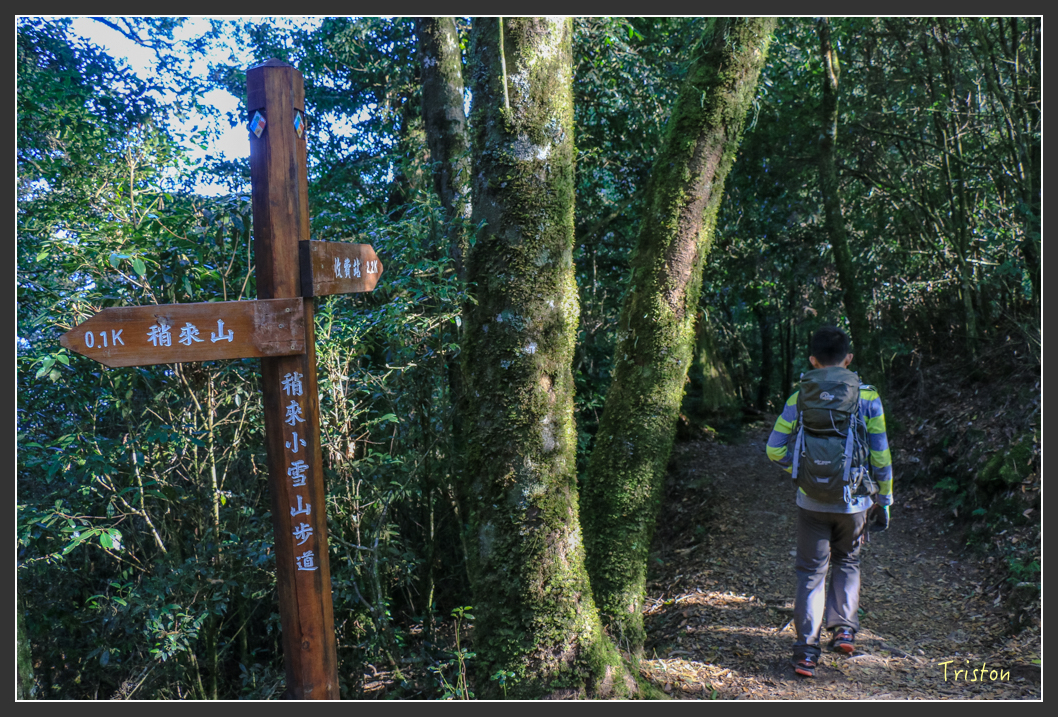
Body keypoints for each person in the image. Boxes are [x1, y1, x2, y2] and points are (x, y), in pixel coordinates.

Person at [766, 326, 893, 678]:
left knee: (810, 573)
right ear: (848, 359)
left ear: (812, 360)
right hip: (854, 502)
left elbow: (773, 448)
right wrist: (884, 497)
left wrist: (802, 469)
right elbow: (880, 454)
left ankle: (806, 651)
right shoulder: (867, 397)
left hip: (810, 502)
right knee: (848, 561)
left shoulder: (799, 397)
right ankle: (844, 631)